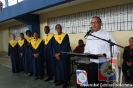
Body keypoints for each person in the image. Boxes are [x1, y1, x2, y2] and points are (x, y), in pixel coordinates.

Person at [84, 16, 118, 88]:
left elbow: (115, 49)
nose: (93, 24)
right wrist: (86, 52)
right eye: (92, 23)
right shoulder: (90, 36)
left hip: (105, 64)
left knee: (106, 85)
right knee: (94, 84)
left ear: (101, 24)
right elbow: (86, 48)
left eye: (95, 22)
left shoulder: (107, 35)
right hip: (92, 64)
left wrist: (105, 55)